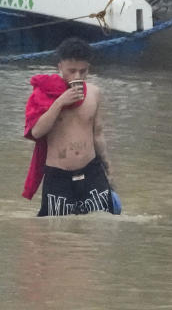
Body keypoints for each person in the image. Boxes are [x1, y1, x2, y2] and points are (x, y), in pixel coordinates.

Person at [22, 37, 118, 217]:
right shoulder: (44, 94)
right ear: (60, 67)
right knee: (56, 232)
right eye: (71, 71)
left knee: (103, 226)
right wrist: (59, 103)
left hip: (92, 171)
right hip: (58, 176)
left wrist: (109, 170)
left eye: (83, 71)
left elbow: (98, 134)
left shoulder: (94, 93)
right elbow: (36, 132)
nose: (77, 77)